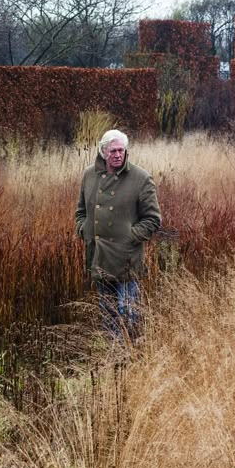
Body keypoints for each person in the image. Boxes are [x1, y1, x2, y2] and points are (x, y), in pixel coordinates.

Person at [75, 129, 161, 338]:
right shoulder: (89, 175)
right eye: (113, 150)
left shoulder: (140, 178)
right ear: (103, 151)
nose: (118, 155)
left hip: (126, 260)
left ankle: (131, 357)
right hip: (100, 257)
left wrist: (130, 237)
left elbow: (153, 219)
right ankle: (111, 356)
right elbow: (81, 211)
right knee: (108, 314)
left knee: (128, 313)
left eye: (121, 150)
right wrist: (83, 229)